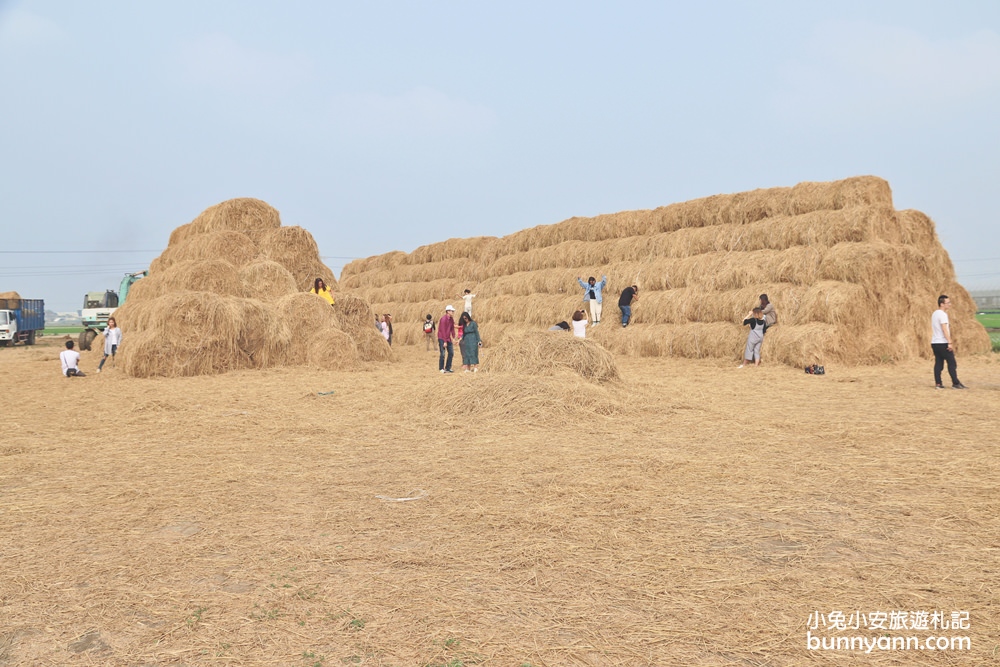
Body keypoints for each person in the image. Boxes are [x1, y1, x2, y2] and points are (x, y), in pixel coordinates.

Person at [931, 295, 967, 389]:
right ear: (942, 304)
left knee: (938, 363)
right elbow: (944, 329)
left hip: (935, 342)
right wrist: (949, 342)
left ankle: (938, 383)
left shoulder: (934, 313)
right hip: (943, 342)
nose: (950, 305)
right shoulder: (943, 314)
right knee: (952, 363)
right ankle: (955, 383)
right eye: (948, 303)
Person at [438, 305, 456, 373]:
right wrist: (444, 341)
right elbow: (443, 330)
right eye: (452, 311)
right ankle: (441, 368)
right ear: (448, 311)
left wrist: (453, 337)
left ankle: (448, 368)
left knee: (451, 353)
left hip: (448, 338)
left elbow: (452, 329)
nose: (453, 312)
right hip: (442, 338)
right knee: (442, 354)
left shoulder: (451, 319)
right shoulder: (443, 319)